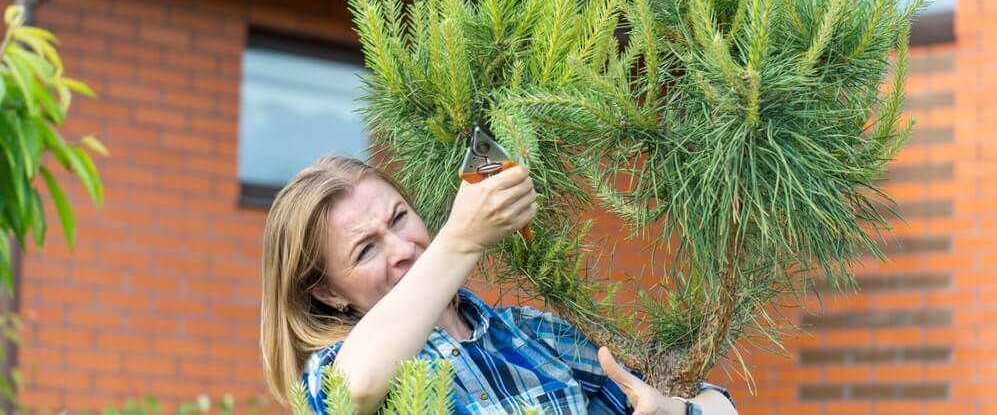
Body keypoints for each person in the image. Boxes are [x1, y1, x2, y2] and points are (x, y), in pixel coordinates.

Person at [260, 155, 738, 415]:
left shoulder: (533, 334)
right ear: (329, 293)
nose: (402, 246)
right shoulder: (327, 375)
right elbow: (356, 387)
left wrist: (673, 410)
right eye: (366, 250)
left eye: (400, 217)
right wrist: (462, 237)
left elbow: (718, 406)